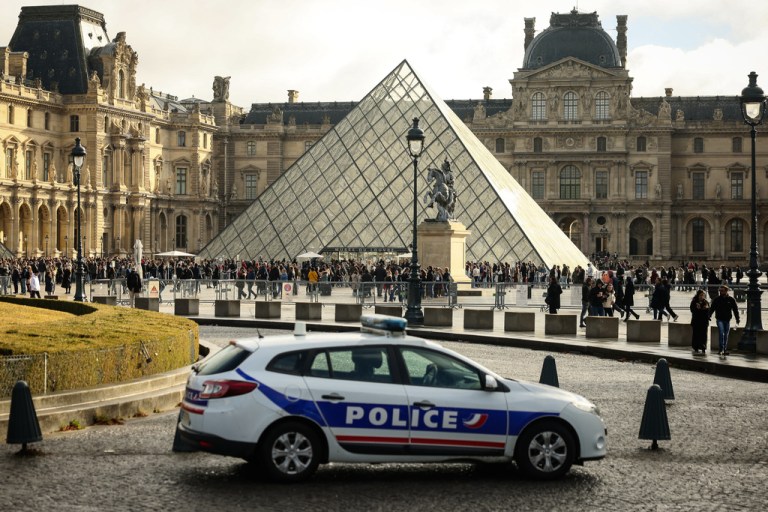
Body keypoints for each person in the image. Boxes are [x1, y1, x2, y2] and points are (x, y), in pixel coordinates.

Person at [709, 285, 740, 359]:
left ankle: (724, 349)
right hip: (719, 319)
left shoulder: (731, 299)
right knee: (721, 333)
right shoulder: (717, 299)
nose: (721, 292)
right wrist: (709, 316)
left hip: (727, 319)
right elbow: (712, 308)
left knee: (726, 334)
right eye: (720, 291)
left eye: (722, 291)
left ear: (726, 291)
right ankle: (721, 349)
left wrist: (737, 319)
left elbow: (735, 310)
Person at [690, 289, 710, 355]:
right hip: (696, 321)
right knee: (696, 334)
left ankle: (703, 346)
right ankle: (696, 346)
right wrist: (697, 308)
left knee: (703, 334)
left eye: (703, 295)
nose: (702, 297)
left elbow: (708, 311)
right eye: (701, 295)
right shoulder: (694, 302)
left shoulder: (706, 302)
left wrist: (706, 309)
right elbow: (692, 310)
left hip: (704, 321)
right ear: (698, 295)